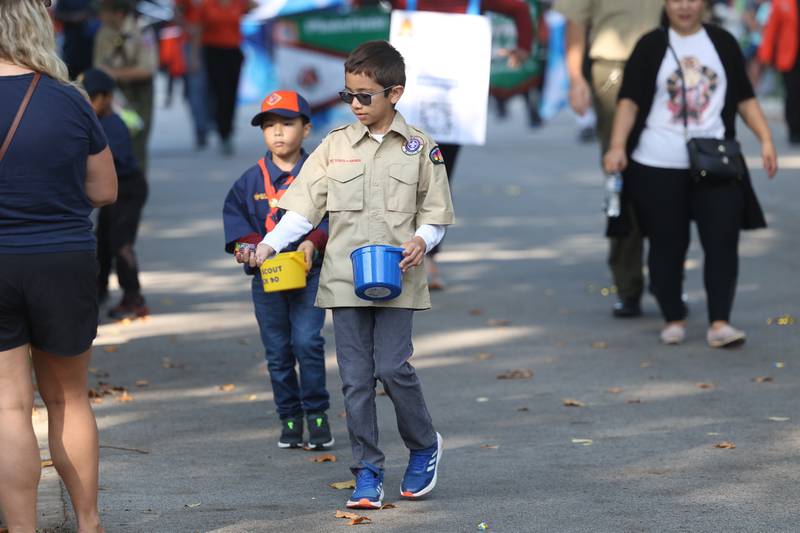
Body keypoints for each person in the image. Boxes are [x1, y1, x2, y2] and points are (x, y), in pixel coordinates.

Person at [255, 41, 454, 509]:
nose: (356, 105)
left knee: (391, 367)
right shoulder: (334, 145)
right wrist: (270, 244)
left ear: (395, 93)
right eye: (349, 95)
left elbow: (437, 215)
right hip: (345, 279)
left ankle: (424, 444)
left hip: (398, 276)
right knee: (355, 379)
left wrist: (423, 240)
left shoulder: (421, 148)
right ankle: (367, 469)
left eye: (366, 95)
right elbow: (304, 208)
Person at [0, 2, 117, 531]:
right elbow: (105, 189)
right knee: (69, 398)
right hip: (63, 259)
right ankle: (88, 523)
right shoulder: (70, 100)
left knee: (8, 406)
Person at [603, 0, 777, 347]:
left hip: (715, 161)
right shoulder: (650, 45)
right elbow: (629, 101)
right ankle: (673, 316)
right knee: (667, 244)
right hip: (657, 163)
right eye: (676, 0)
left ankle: (720, 322)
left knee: (723, 241)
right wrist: (617, 145)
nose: (684, 6)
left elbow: (744, 97)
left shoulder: (723, 42)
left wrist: (766, 139)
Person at [354, 0, 533, 289]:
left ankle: (428, 258)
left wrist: (523, 47)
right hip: (406, 106)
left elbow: (520, 9)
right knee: (395, 180)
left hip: (453, 111)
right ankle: (390, 255)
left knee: (436, 181)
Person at [222, 90, 334, 450]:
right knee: (278, 351)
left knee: (307, 342)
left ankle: (317, 415)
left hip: (308, 274)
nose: (278, 132)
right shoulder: (249, 181)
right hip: (267, 279)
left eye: (287, 124)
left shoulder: (319, 174)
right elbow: (236, 229)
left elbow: (337, 215)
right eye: (269, 126)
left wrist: (313, 241)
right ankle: (289, 416)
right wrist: (248, 248)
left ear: (306, 128)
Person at [555, 0, 663, 317]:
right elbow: (575, 23)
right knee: (622, 175)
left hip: (666, 61)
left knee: (669, 173)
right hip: (614, 68)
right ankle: (628, 285)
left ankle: (666, 276)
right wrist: (576, 78)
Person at [80, 68, 149, 319]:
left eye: (92, 98)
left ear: (106, 97)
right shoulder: (97, 122)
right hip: (114, 191)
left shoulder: (114, 125)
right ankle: (99, 291)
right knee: (102, 242)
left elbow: (108, 161)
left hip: (129, 189)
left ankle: (134, 298)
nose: (87, 103)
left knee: (121, 243)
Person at [94, 0, 158, 173]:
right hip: (115, 93)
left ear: (118, 13)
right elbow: (99, 65)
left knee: (138, 139)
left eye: (104, 11)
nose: (100, 15)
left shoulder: (141, 28)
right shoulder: (104, 32)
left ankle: (138, 185)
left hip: (140, 92)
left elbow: (147, 69)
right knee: (115, 139)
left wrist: (114, 73)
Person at [195, 0, 256, 156]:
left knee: (231, 94)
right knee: (219, 93)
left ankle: (227, 130)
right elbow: (198, 29)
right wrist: (194, 56)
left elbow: (256, 8)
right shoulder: (207, 5)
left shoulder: (239, 3)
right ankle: (222, 130)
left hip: (233, 52)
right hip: (213, 52)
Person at [758, 0, 800, 144]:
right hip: (790, 57)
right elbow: (771, 30)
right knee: (793, 94)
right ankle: (794, 130)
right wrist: (766, 55)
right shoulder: (781, 3)